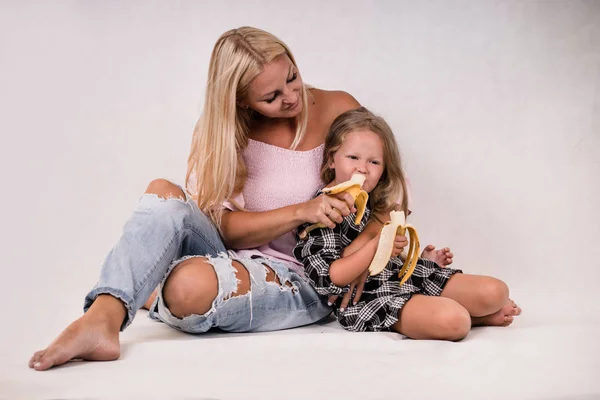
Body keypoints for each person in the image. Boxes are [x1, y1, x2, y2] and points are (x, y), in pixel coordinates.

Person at [294, 107, 520, 338]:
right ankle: (474, 318)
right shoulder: (321, 212)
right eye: (353, 158)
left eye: (374, 162)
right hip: (368, 296)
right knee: (456, 322)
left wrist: (402, 251)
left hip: (401, 275)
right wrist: (377, 245)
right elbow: (331, 278)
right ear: (332, 159)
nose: (362, 168)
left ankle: (442, 305)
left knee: (496, 292)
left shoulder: (377, 201)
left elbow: (393, 237)